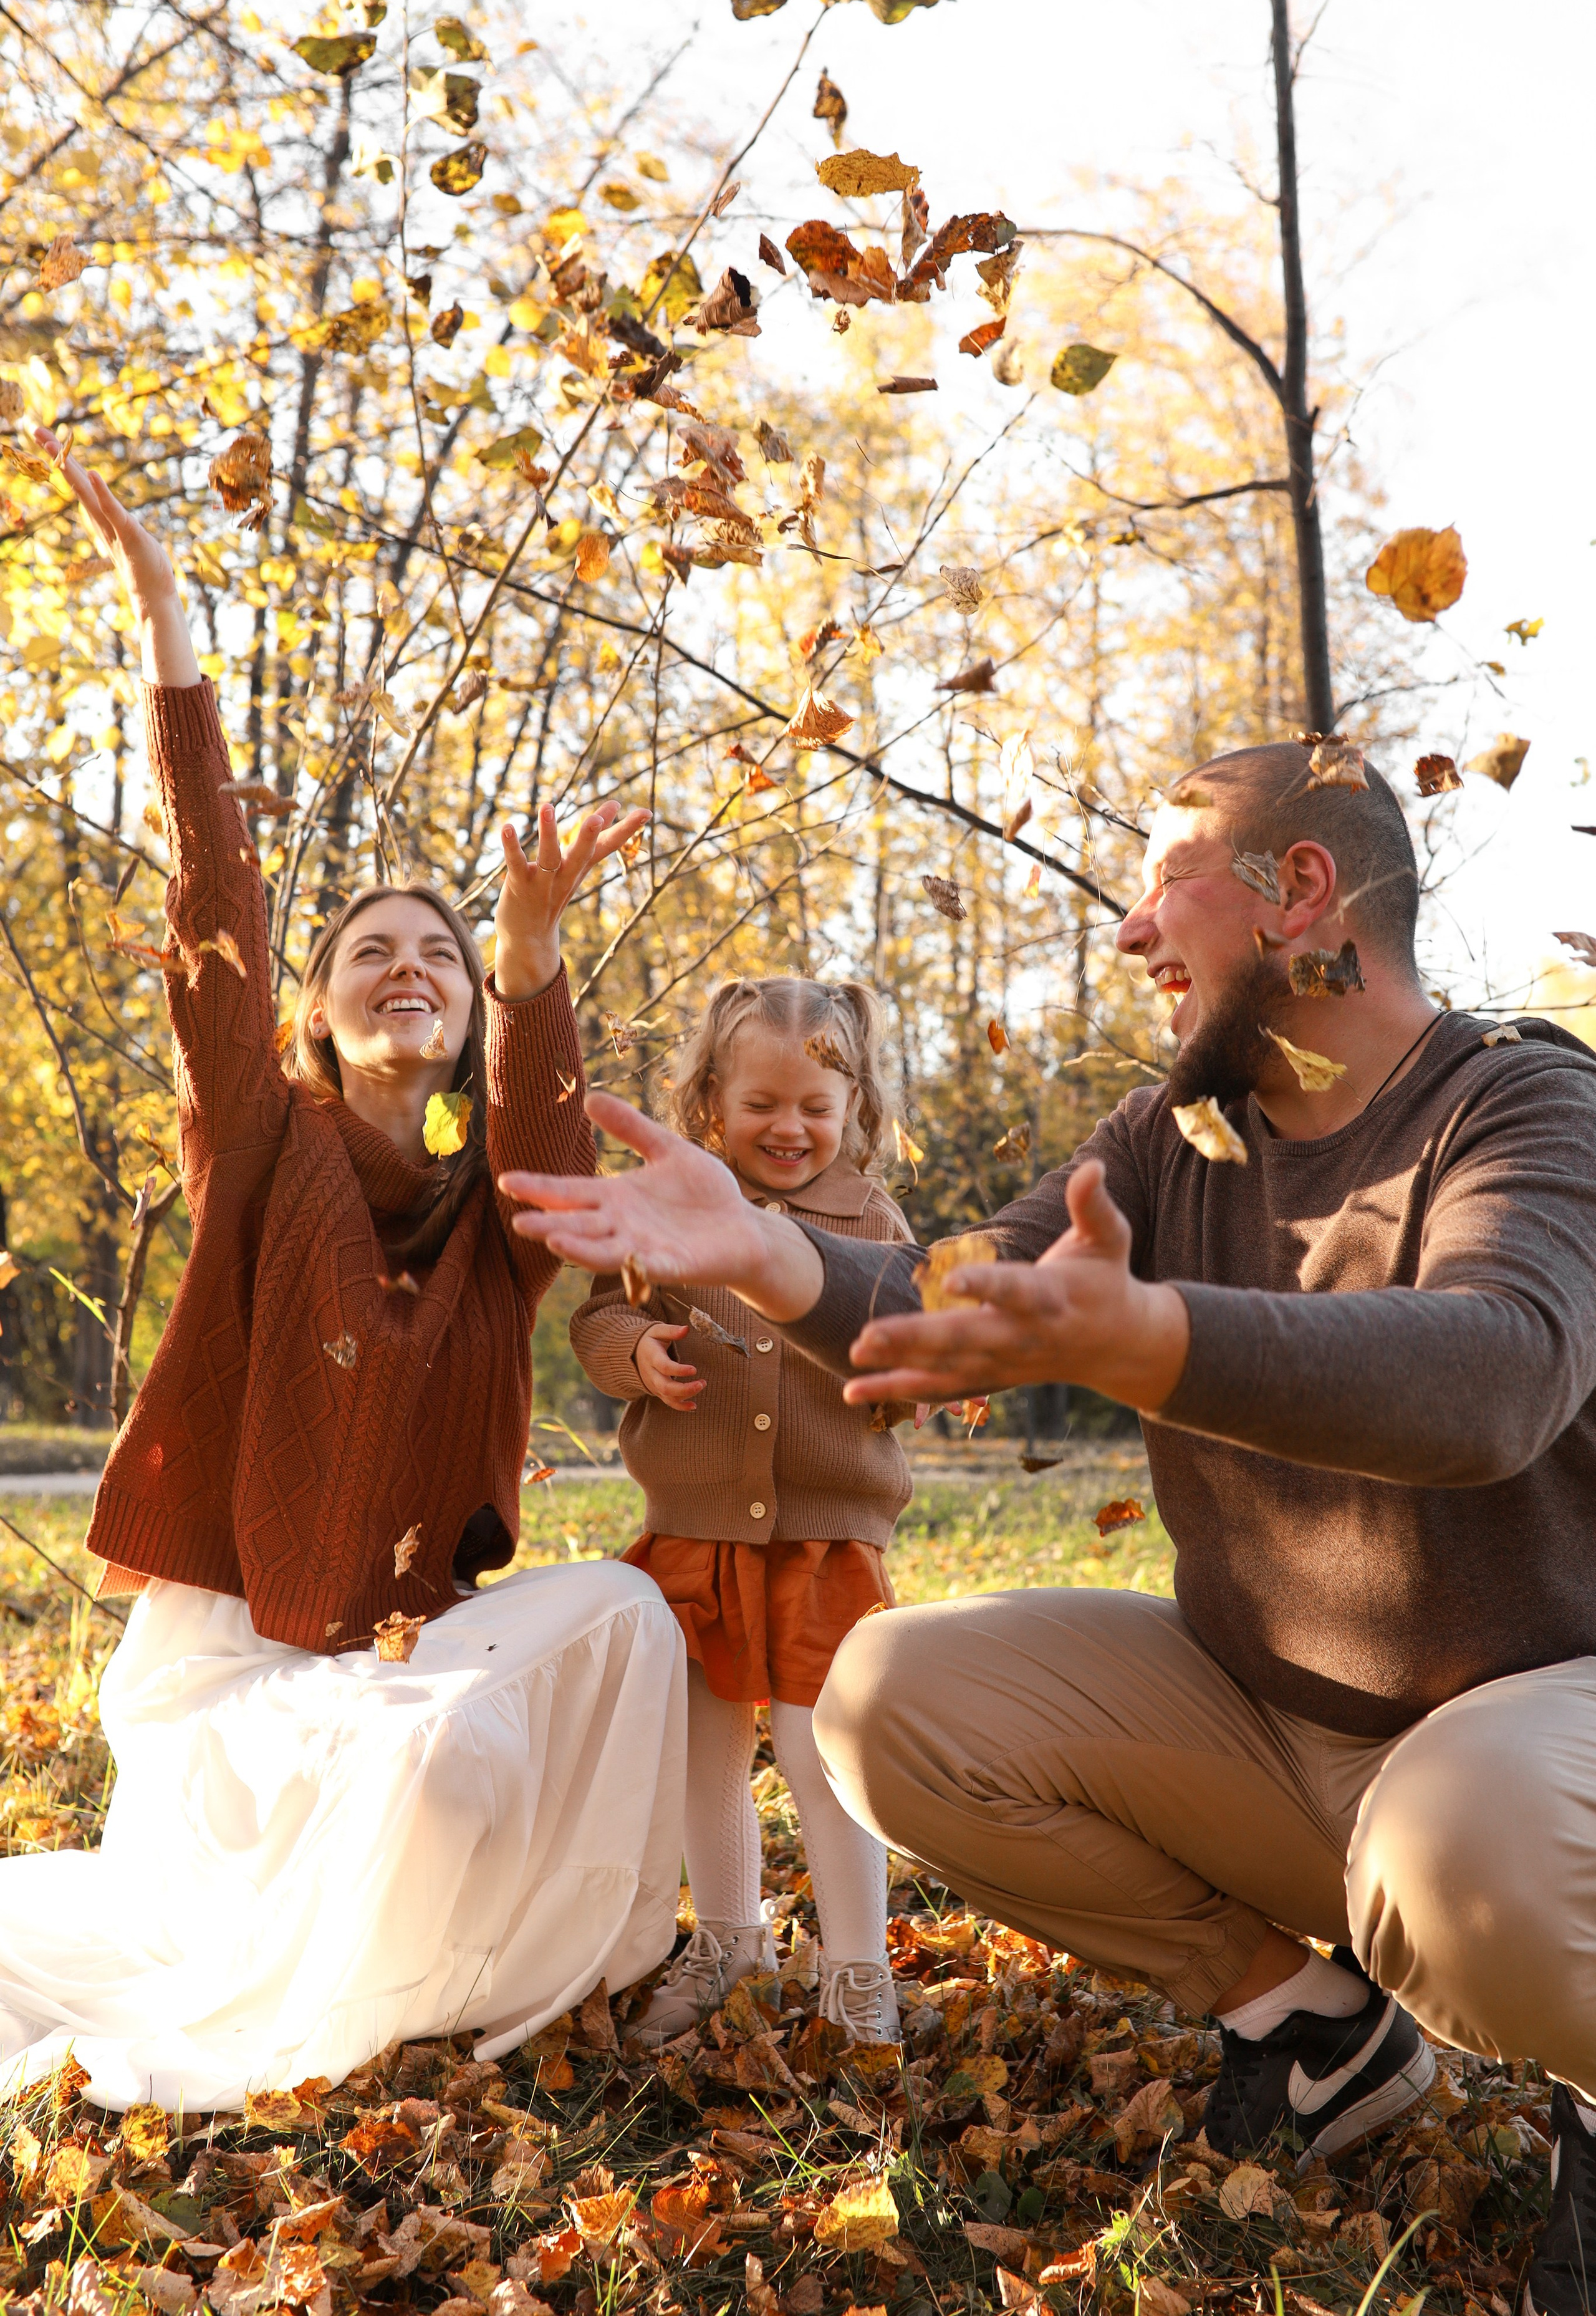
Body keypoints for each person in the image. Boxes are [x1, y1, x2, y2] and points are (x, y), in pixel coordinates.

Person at [502, 740, 1596, 2316]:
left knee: (1457, 1834)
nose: (1133, 930)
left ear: (1299, 891)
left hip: (1524, 1742)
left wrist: (1149, 1337)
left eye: (1165, 881)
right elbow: (961, 1288)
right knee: (886, 1696)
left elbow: (1492, 1376)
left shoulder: (1526, 1102)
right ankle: (1310, 2028)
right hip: (1275, 1732)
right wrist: (759, 1250)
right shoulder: (1169, 1131)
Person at [0, 433, 686, 2113]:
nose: (408, 967)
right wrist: (171, 633)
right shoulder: (260, 1133)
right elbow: (215, 904)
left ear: (463, 1007)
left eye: (437, 953)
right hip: (235, 1668)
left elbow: (545, 1138)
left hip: (404, 1656)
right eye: (369, 950)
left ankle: (463, 1975)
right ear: (314, 1009)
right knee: (406, 1792)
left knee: (611, 1628)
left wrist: (528, 951)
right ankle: (292, 1978)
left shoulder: (497, 1211)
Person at [569, 978, 911, 2047]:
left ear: (856, 1107)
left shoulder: (875, 1221)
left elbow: (900, 1342)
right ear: (711, 1103)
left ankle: (858, 1971)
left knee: (824, 1757)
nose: (792, 1127)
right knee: (703, 1753)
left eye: (818, 1104)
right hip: (697, 1532)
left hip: (824, 1539)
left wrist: (924, 1371)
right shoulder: (668, 1209)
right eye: (763, 1103)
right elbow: (600, 1319)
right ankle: (729, 1938)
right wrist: (637, 1353)